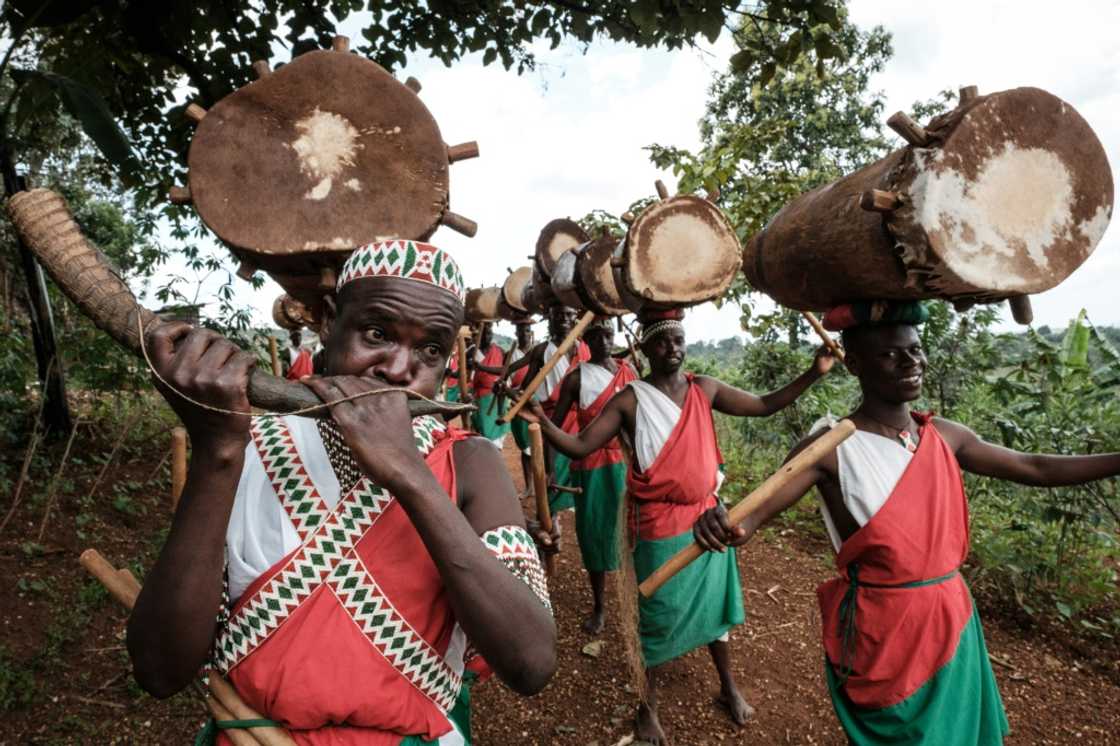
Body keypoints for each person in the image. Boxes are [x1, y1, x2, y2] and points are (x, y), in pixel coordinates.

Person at [127, 240, 557, 745]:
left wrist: (409, 474)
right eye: (377, 333)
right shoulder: (246, 448)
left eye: (430, 350)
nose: (398, 369)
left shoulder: (469, 461)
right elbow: (159, 671)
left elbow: (531, 664)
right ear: (329, 322)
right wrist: (218, 454)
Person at [691, 300, 1120, 745]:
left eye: (915, 350)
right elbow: (748, 519)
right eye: (890, 355)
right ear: (854, 364)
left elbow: (1035, 467)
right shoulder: (830, 447)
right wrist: (720, 523)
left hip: (951, 619)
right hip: (886, 630)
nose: (910, 362)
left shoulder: (945, 436)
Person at [527, 308, 835, 745]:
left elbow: (765, 405)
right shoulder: (630, 399)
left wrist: (813, 372)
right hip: (657, 522)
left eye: (678, 340)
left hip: (710, 517)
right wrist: (543, 423)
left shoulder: (704, 389)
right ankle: (646, 707)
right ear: (647, 349)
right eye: (662, 342)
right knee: (656, 614)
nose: (673, 349)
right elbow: (580, 447)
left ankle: (728, 685)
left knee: (716, 608)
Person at [549, 316, 637, 634]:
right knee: (594, 535)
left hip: (626, 465)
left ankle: (640, 601)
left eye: (608, 335)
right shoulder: (576, 379)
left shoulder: (629, 372)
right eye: (596, 337)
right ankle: (599, 606)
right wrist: (548, 467)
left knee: (633, 532)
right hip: (592, 467)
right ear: (586, 341)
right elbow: (554, 427)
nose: (604, 342)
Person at [500, 305, 590, 513]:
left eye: (568, 314)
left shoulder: (584, 348)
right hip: (551, 420)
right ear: (550, 319)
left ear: (575, 318)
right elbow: (525, 390)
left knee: (579, 472)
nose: (564, 319)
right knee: (552, 474)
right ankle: (551, 522)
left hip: (581, 423)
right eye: (559, 314)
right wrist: (507, 391)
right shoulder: (542, 351)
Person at [467, 322, 511, 448]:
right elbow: (464, 372)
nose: (488, 336)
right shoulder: (472, 351)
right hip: (480, 398)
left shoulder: (499, 350)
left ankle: (496, 452)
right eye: (485, 333)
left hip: (497, 396)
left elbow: (505, 370)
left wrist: (482, 368)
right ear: (479, 335)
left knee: (497, 428)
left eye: (490, 333)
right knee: (482, 430)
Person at [507, 320, 536, 490]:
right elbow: (506, 379)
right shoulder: (511, 354)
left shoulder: (537, 352)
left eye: (527, 330)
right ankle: (529, 487)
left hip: (536, 405)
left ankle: (542, 486)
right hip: (518, 405)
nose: (524, 334)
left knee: (539, 447)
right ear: (516, 334)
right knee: (526, 448)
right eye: (520, 331)